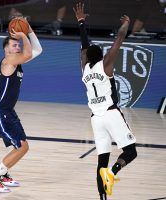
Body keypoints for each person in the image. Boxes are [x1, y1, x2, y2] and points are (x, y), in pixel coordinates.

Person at [73, 3, 137, 200]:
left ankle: (102, 196)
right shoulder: (106, 65)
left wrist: (81, 22)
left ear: (86, 57)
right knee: (130, 152)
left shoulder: (84, 68)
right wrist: (126, 23)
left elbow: (84, 47)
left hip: (96, 118)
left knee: (102, 160)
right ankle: (113, 172)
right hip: (110, 113)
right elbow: (119, 39)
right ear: (101, 56)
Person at [0, 19, 42, 193]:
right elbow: (29, 53)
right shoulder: (9, 60)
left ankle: (3, 175)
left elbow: (37, 50)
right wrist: (24, 34)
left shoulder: (16, 61)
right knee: (22, 147)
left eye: (18, 45)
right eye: (14, 45)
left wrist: (29, 30)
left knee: (23, 146)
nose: (18, 47)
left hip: (7, 112)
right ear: (6, 49)